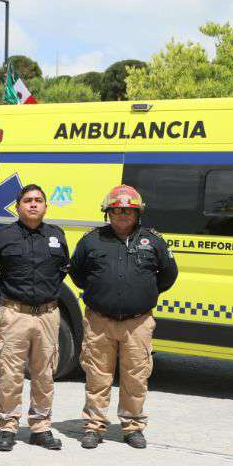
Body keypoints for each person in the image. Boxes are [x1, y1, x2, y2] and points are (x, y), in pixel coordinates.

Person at [69, 184, 178, 450]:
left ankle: (132, 427)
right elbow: (77, 273)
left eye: (128, 210)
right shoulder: (92, 240)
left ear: (137, 213)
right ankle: (94, 427)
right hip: (99, 322)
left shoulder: (153, 240)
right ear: (107, 212)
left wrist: (141, 295)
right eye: (116, 210)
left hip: (137, 323)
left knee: (136, 377)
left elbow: (168, 275)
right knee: (97, 376)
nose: (122, 214)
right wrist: (101, 292)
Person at [0, 184, 69, 452]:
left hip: (47, 314)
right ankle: (8, 427)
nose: (33, 204)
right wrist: (11, 295)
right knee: (10, 373)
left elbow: (61, 271)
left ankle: (40, 427)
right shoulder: (3, 237)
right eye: (27, 200)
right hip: (15, 313)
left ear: (46, 206)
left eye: (38, 200)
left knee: (44, 373)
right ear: (18, 206)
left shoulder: (57, 236)